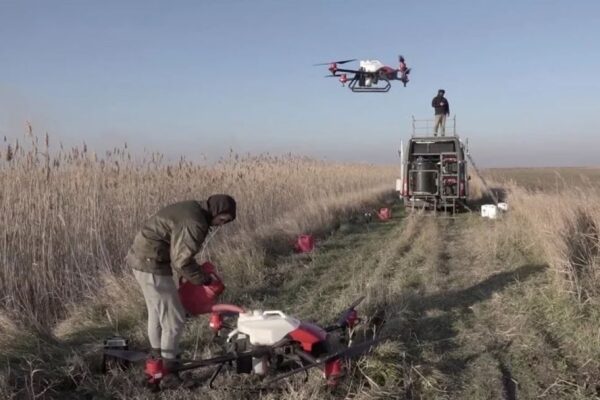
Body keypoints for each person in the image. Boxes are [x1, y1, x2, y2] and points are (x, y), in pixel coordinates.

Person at [125, 194, 236, 387]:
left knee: (157, 311)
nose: (221, 225)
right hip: (151, 262)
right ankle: (169, 371)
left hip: (142, 258)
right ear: (217, 212)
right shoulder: (196, 223)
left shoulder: (194, 209)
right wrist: (203, 279)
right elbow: (182, 261)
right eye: (223, 220)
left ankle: (157, 358)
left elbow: (178, 251)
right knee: (174, 318)